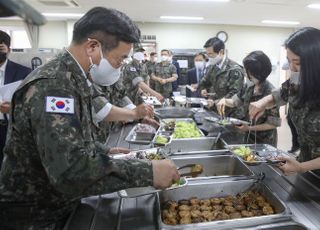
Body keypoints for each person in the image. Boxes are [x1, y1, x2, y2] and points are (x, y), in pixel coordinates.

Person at [0, 7, 179, 229]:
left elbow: (62, 142)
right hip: (36, 215)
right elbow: (70, 172)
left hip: (55, 205)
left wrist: (100, 150)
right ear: (92, 46)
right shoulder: (53, 86)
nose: (121, 66)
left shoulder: (73, 77)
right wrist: (149, 172)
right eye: (119, 59)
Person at [249, 27, 320, 175]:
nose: (292, 68)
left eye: (298, 63)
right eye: (289, 61)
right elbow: (281, 93)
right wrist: (263, 102)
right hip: (306, 164)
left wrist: (301, 168)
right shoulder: (298, 77)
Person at [216, 51, 281, 146]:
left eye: (247, 71)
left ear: (257, 73)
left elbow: (273, 124)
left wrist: (249, 128)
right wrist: (224, 101)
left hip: (264, 142)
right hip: (248, 137)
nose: (244, 73)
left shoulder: (270, 92)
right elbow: (235, 102)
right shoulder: (248, 86)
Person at [0, 30, 31, 168]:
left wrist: (14, 108)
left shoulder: (23, 72)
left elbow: (31, 103)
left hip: (10, 128)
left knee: (9, 167)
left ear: (8, 50)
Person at [199, 37, 245, 117]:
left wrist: (215, 102)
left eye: (210, 54)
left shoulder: (234, 69)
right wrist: (203, 88)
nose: (208, 57)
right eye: (207, 54)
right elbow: (206, 82)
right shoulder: (212, 67)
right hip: (214, 111)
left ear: (221, 52)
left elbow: (235, 94)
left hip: (230, 113)